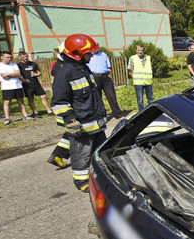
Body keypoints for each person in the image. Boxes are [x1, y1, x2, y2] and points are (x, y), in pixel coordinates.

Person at [51, 34, 107, 192]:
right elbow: (58, 102)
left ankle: (101, 176)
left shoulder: (84, 68)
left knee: (101, 152)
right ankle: (81, 181)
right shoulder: (64, 73)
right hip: (81, 124)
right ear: (77, 54)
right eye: (89, 53)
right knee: (81, 155)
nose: (91, 56)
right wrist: (70, 119)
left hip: (95, 121)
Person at [0, 51, 33, 124]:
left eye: (10, 57)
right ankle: (7, 118)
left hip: (17, 85)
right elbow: (3, 76)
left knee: (20, 100)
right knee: (7, 102)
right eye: (7, 57)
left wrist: (8, 75)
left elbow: (18, 73)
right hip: (7, 87)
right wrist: (13, 74)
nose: (9, 59)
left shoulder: (14, 65)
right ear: (2, 57)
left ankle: (25, 115)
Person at [86, 49, 124, 118]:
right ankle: (101, 116)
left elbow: (109, 66)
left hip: (105, 76)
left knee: (112, 96)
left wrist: (109, 75)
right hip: (95, 77)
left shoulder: (103, 54)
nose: (95, 48)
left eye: (97, 46)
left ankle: (118, 114)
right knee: (98, 98)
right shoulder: (89, 55)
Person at [16, 50, 52, 118]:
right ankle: (35, 112)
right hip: (27, 85)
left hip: (36, 84)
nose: (25, 58)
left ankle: (49, 111)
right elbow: (18, 75)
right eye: (23, 57)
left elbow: (39, 72)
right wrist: (22, 79)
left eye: (26, 56)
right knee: (31, 99)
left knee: (44, 96)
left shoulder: (33, 64)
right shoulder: (18, 65)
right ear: (20, 57)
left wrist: (36, 74)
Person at [128, 44, 153, 110]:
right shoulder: (132, 58)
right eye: (138, 50)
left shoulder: (148, 57)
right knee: (140, 100)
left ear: (143, 50)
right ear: (136, 50)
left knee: (150, 99)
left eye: (141, 50)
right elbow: (130, 71)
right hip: (138, 83)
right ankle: (142, 113)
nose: (140, 52)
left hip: (148, 82)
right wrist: (135, 78)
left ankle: (151, 112)